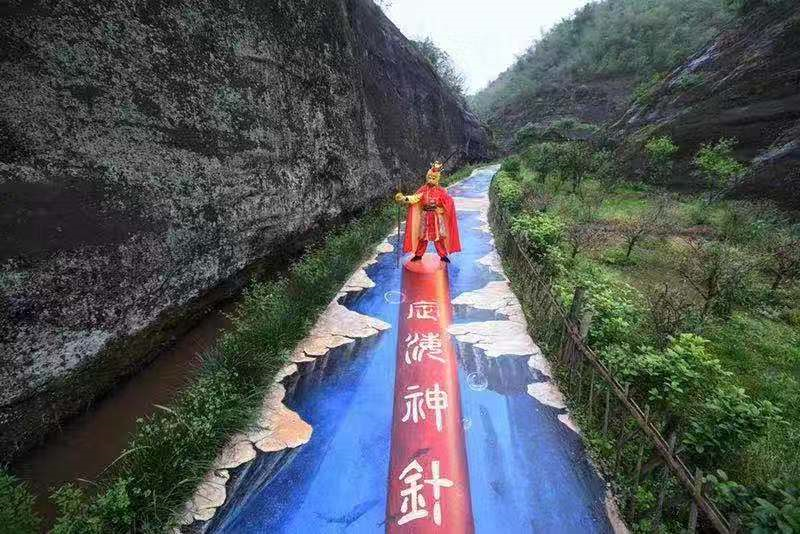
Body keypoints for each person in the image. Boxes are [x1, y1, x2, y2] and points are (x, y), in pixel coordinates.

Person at [395, 161, 462, 263]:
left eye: (433, 178)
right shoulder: (423, 190)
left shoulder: (441, 191)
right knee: (423, 237)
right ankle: (418, 255)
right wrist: (404, 198)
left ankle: (443, 255)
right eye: (429, 177)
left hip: (436, 217)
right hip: (425, 216)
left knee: (439, 238)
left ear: (437, 179)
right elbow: (415, 198)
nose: (431, 180)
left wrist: (442, 209)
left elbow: (449, 202)